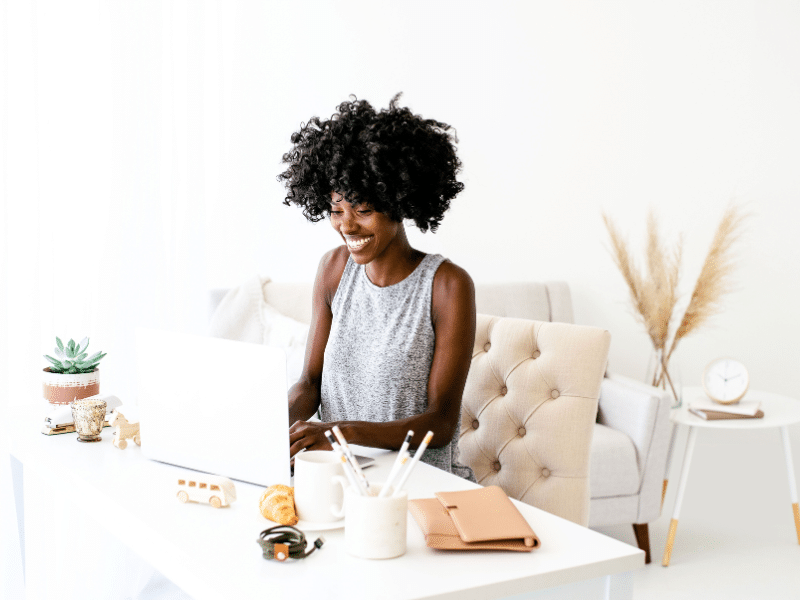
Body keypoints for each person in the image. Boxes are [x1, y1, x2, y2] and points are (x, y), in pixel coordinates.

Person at [278, 94, 475, 479]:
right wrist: (269, 425)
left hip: (411, 483)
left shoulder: (447, 286)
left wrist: (341, 434)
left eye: (363, 210)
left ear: (399, 201)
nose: (347, 226)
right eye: (337, 210)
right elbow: (310, 383)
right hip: (335, 476)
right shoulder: (333, 270)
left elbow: (441, 422)